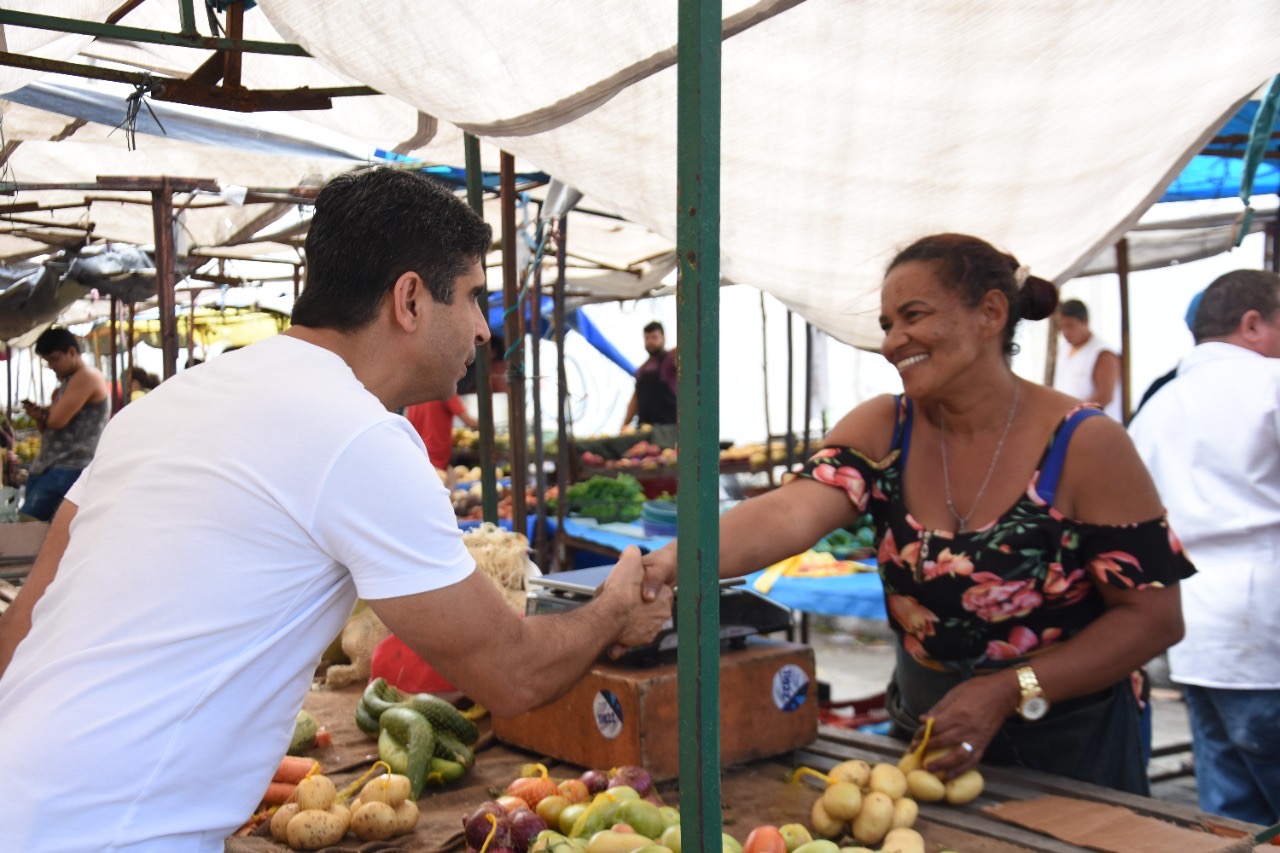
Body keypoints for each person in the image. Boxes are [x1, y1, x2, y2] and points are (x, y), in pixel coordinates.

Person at [0, 168, 673, 852]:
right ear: (409, 298)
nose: (482, 329)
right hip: (113, 834)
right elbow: (511, 671)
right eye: (473, 298)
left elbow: (27, 617)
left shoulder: (168, 403)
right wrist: (613, 608)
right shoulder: (361, 436)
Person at [641, 233, 1193, 794]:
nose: (892, 342)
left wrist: (1009, 688)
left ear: (991, 314)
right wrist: (665, 565)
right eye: (886, 324)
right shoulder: (886, 427)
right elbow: (786, 514)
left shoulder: (1084, 444)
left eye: (913, 316)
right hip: (925, 735)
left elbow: (1153, 618)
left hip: (1068, 746)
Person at [1128, 269, 1280, 825]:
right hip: (1264, 623)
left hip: (1192, 624)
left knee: (1230, 809)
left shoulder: (1156, 408)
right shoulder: (1269, 384)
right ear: (1253, 323)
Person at [18, 327, 110, 521]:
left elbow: (56, 421)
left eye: (54, 359)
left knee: (29, 526)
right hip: (53, 467)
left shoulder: (86, 377)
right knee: (33, 528)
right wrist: (41, 417)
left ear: (71, 352)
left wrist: (47, 416)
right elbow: (50, 427)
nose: (52, 366)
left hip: (69, 468)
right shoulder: (69, 382)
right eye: (47, 361)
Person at [1052, 299, 1123, 421]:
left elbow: (1104, 396)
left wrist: (1071, 416)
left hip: (1094, 425)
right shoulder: (1064, 348)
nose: (1066, 332)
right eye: (1062, 327)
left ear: (1085, 321)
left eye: (1070, 325)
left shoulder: (1103, 353)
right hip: (1067, 423)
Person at [622, 320, 678, 429]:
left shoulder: (670, 359)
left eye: (654, 337)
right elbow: (635, 400)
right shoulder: (641, 369)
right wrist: (624, 425)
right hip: (645, 430)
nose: (650, 341)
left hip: (667, 430)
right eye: (647, 338)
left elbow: (686, 347)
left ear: (664, 338)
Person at [405, 392, 480, 470]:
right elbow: (469, 422)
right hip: (437, 454)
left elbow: (409, 426)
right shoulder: (445, 389)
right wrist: (488, 427)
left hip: (419, 453)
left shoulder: (415, 395)